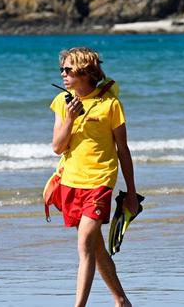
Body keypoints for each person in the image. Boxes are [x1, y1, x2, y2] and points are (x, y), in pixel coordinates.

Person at [50, 47, 138, 307]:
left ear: (85, 72)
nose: (63, 74)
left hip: (100, 182)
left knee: (85, 243)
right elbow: (57, 147)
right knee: (96, 247)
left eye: (68, 69)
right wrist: (69, 118)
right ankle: (121, 301)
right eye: (62, 70)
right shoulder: (61, 103)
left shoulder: (111, 104)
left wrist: (131, 192)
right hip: (70, 182)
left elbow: (123, 149)